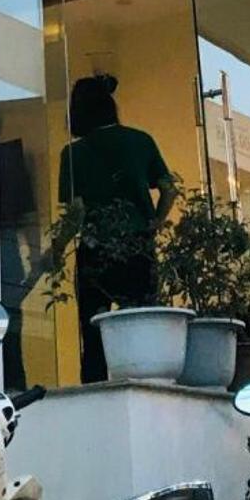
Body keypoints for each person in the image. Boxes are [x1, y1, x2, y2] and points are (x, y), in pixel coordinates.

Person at [59, 73, 175, 382]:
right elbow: (168, 188)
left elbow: (76, 213)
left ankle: (96, 392)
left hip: (95, 249)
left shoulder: (73, 153)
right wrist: (155, 222)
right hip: (139, 246)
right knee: (142, 325)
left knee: (93, 334)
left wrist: (55, 250)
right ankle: (145, 386)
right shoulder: (141, 140)